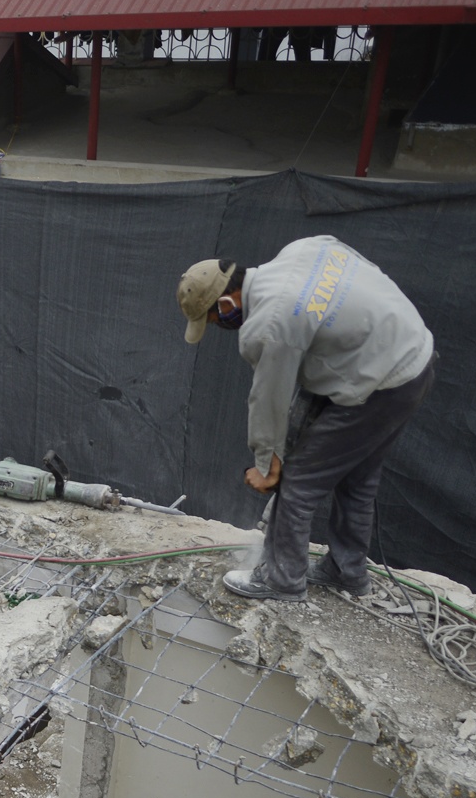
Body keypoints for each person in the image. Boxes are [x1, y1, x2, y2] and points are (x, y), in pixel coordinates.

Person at [176, 237, 436, 602]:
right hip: (412, 359)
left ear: (227, 301)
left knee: (299, 483)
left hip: (378, 382)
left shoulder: (267, 323)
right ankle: (347, 571)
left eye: (214, 319)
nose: (219, 325)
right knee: (357, 479)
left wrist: (267, 465)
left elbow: (269, 398)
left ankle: (281, 579)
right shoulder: (303, 250)